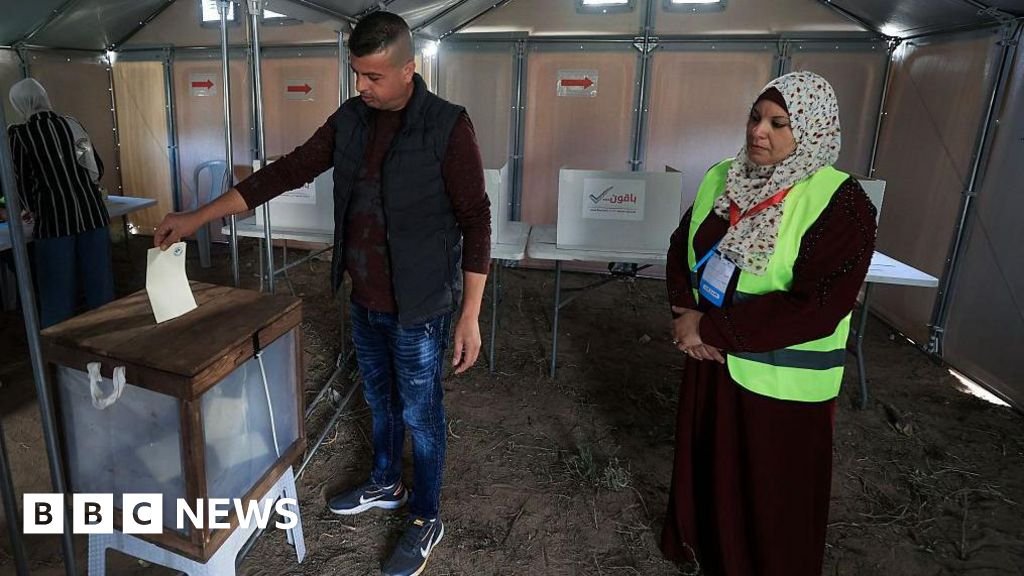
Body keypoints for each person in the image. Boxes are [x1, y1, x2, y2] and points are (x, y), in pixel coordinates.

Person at [153, 12, 490, 576]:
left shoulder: (448, 126)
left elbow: (476, 221)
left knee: (422, 414)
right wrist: (197, 217)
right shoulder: (352, 120)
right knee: (380, 401)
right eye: (357, 74)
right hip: (366, 298)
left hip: (423, 306)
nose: (362, 86)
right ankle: (386, 481)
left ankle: (426, 514)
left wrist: (471, 314)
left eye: (374, 77)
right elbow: (284, 172)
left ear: (410, 69)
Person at [661, 71, 877, 575]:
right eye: (755, 118)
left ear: (813, 129)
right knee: (711, 470)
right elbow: (681, 246)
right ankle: (705, 553)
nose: (759, 132)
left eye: (780, 123)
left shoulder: (841, 202)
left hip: (781, 384)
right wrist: (683, 315)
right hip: (712, 363)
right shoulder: (724, 175)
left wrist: (709, 330)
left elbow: (819, 304)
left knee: (771, 492)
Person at [8, 78, 113, 328]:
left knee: (57, 293)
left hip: (54, 222)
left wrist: (28, 207)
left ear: (19, 104)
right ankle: (110, 342)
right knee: (101, 289)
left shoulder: (19, 135)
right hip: (92, 215)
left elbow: (19, 181)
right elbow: (95, 167)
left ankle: (61, 353)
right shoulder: (72, 124)